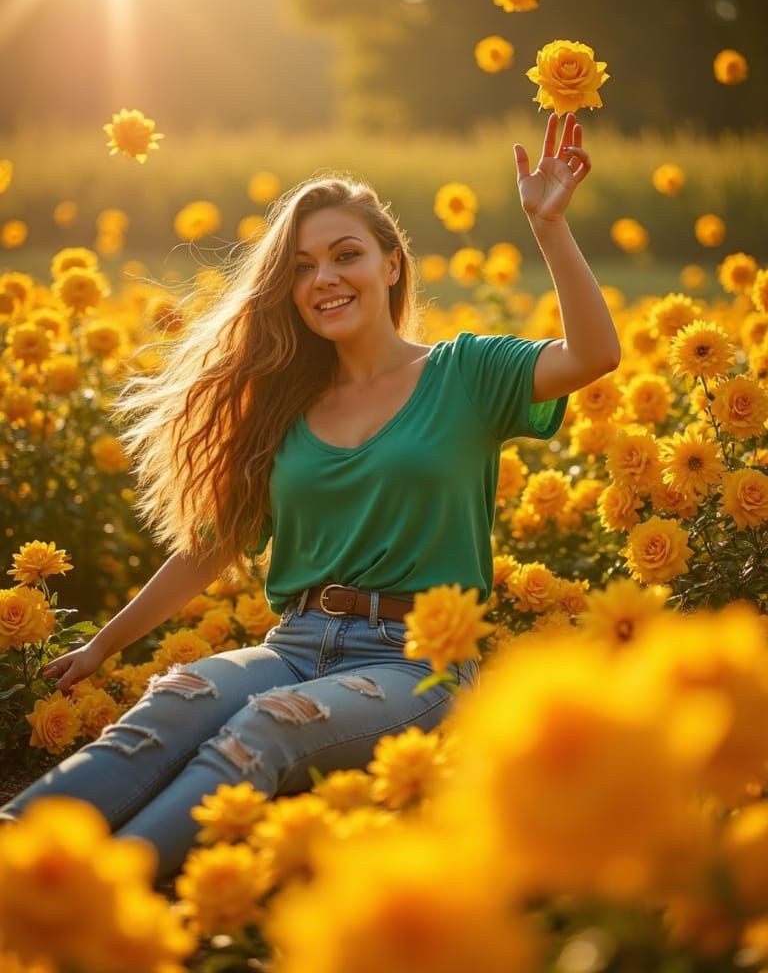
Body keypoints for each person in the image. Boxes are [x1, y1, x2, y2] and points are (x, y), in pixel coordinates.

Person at [0, 112, 620, 882]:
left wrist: (548, 224)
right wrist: (102, 644)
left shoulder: (467, 374)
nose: (323, 277)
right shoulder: (287, 403)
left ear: (392, 266)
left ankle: (93, 895)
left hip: (415, 665)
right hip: (293, 645)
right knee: (172, 705)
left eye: (345, 255)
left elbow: (595, 354)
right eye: (301, 266)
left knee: (264, 730)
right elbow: (211, 546)